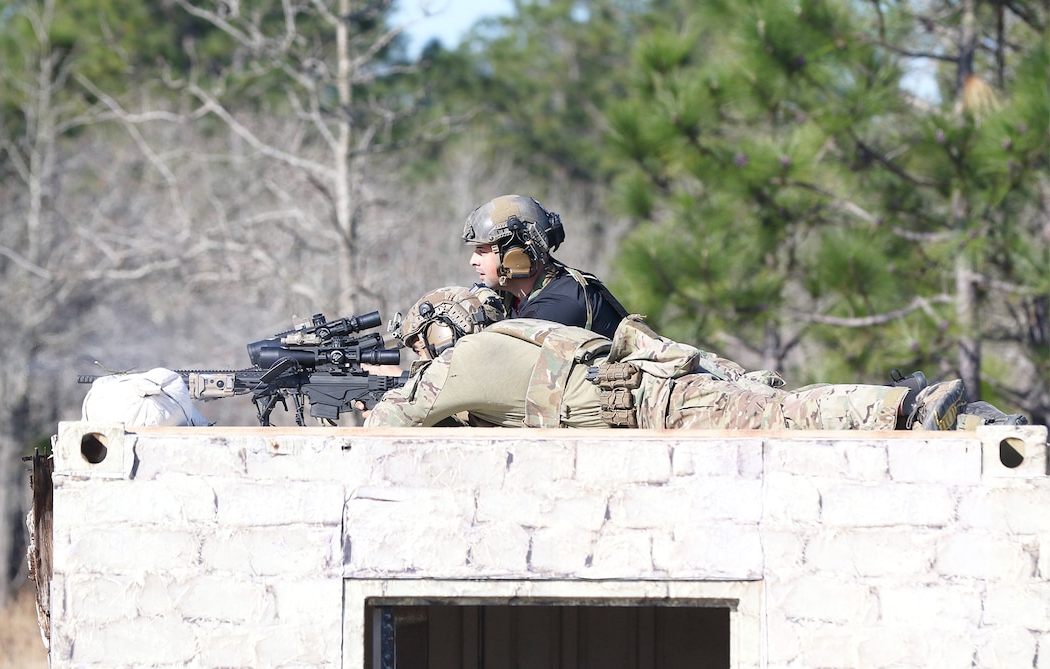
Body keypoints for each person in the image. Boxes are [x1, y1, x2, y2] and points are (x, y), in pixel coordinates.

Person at [366, 286, 1020, 431]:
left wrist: (366, 400)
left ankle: (909, 407)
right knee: (777, 409)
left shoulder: (470, 355)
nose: (424, 359)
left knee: (783, 418)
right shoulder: (519, 332)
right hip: (657, 386)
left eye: (424, 346)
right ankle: (934, 413)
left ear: (449, 328)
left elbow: (391, 423)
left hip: (657, 404)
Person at [461, 194, 629, 339]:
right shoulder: (512, 296)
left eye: (481, 250)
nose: (473, 260)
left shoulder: (559, 304)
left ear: (515, 254)